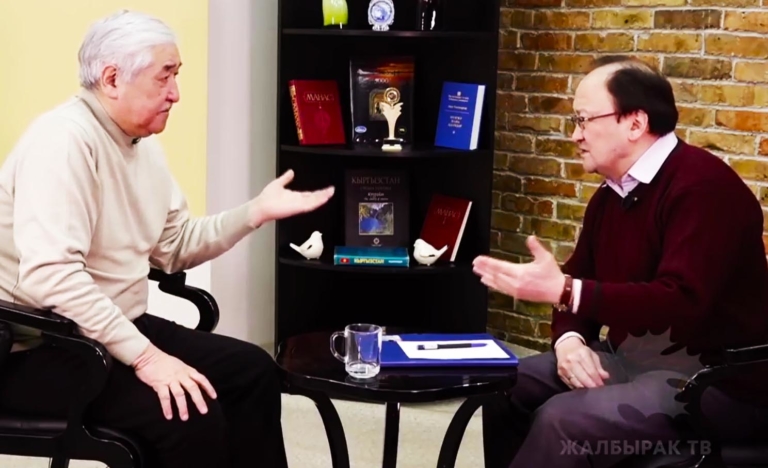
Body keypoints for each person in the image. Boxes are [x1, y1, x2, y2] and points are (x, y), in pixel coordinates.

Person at [0, 10, 333, 468]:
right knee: (188, 412)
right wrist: (148, 359)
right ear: (112, 79)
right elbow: (51, 277)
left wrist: (253, 213)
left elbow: (175, 247)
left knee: (251, 371)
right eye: (165, 76)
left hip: (108, 330)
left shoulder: (142, 145)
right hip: (33, 347)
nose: (176, 93)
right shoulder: (61, 142)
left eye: (177, 75)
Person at [473, 55, 768, 467]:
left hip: (716, 380)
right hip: (634, 360)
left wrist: (567, 291)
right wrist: (570, 341)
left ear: (635, 123)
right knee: (504, 384)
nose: (575, 135)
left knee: (564, 420)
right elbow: (578, 280)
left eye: (583, 120)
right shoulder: (611, 196)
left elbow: (680, 302)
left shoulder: (704, 189)